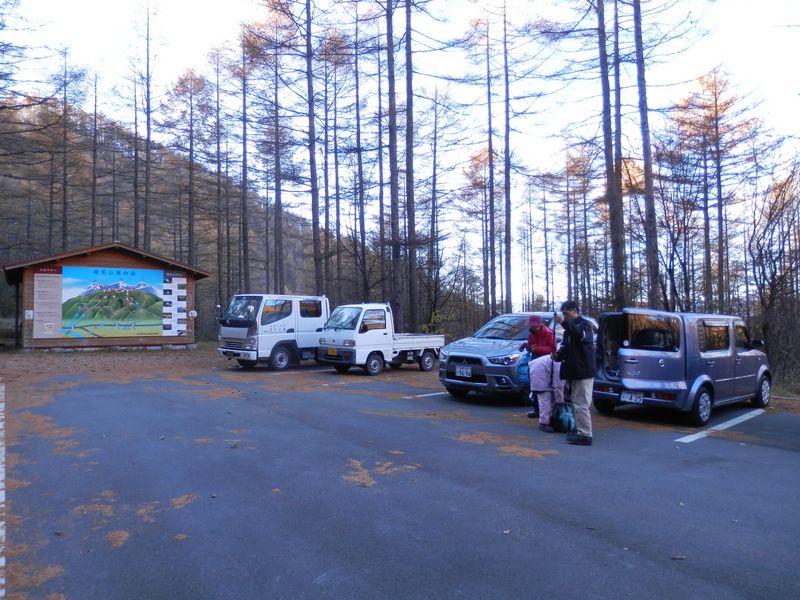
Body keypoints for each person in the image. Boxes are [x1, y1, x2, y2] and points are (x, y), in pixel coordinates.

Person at [553, 300, 596, 446]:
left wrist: (564, 323)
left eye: (566, 313)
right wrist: (558, 355)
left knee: (581, 404)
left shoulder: (586, 326)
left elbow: (580, 335)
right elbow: (566, 347)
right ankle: (579, 430)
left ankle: (585, 435)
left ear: (574, 311)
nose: (564, 317)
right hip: (574, 371)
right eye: (563, 314)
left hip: (584, 371)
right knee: (575, 403)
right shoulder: (568, 330)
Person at [520, 315, 557, 418]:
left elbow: (553, 349)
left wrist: (537, 349)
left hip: (545, 362)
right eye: (532, 326)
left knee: (544, 388)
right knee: (534, 386)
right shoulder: (532, 333)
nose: (534, 327)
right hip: (535, 361)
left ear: (540, 325)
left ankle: (548, 411)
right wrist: (526, 346)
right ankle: (536, 410)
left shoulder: (549, 333)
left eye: (536, 326)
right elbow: (531, 347)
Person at [528, 353, 565, 432]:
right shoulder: (560, 365)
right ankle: (544, 423)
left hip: (540, 368)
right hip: (539, 371)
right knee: (545, 399)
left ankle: (549, 420)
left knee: (550, 398)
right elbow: (558, 385)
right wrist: (560, 401)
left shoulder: (561, 362)